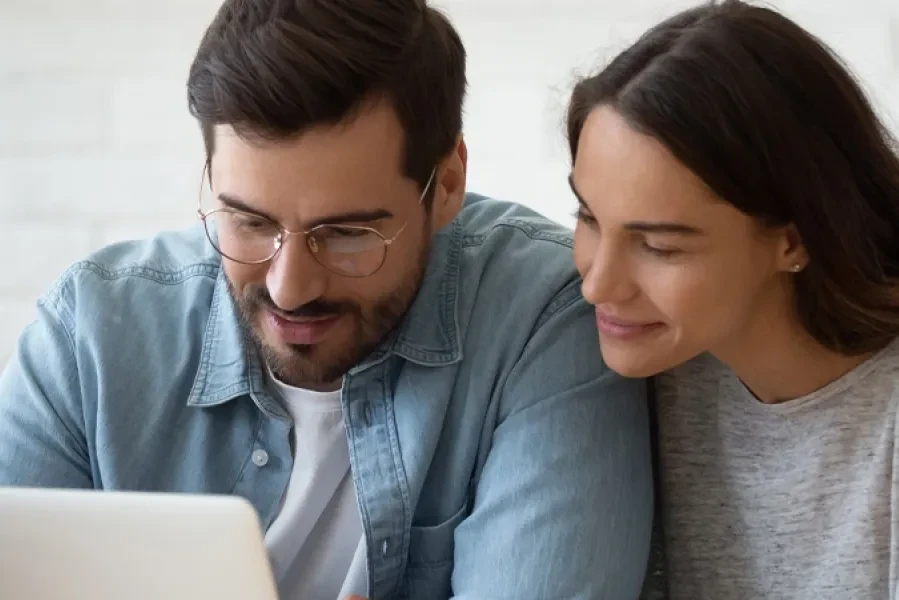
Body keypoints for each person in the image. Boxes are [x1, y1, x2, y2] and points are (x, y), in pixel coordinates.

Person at [0, 0, 653, 598]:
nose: (290, 286)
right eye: (249, 221)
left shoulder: (544, 315)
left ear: (447, 182)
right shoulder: (89, 333)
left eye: (346, 233)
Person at [566, 0, 899, 598]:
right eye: (589, 218)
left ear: (793, 238)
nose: (597, 285)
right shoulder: (653, 364)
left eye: (661, 247)